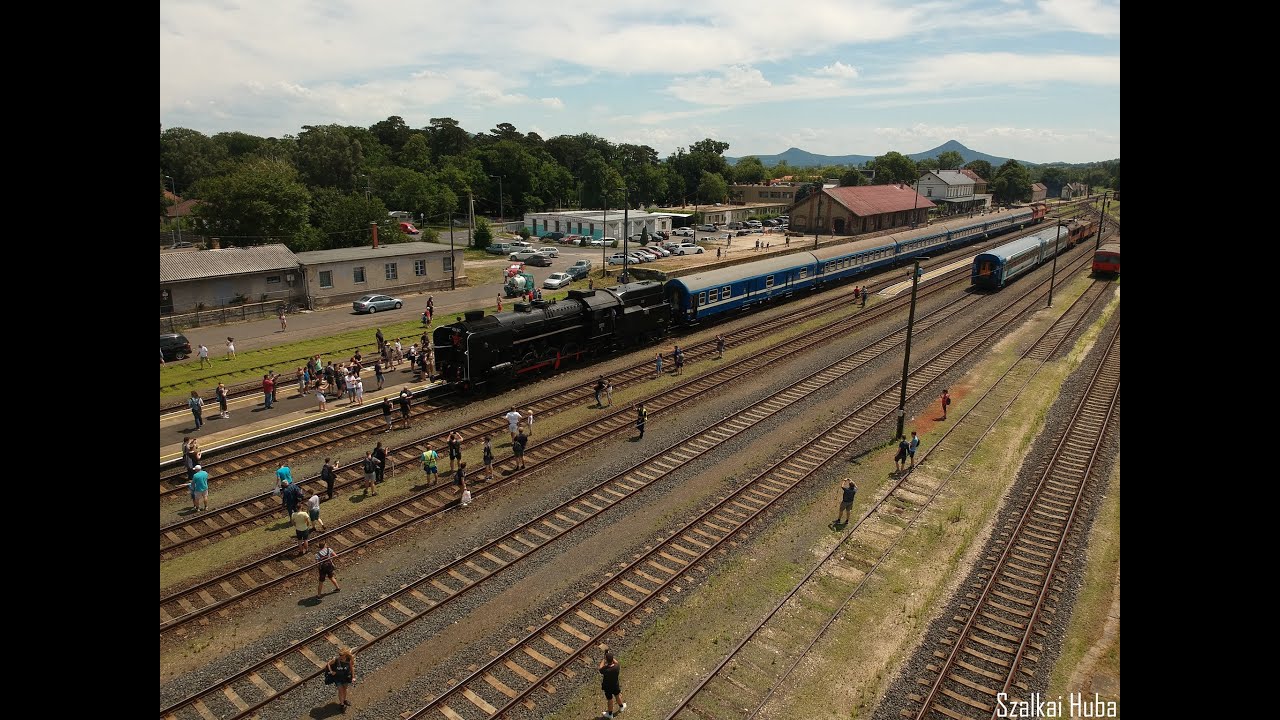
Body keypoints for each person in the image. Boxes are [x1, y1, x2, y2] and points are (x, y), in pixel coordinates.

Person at [598, 650, 627, 718]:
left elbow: (600, 668)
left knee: (610, 699)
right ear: (612, 659)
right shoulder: (617, 667)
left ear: (607, 660)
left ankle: (610, 714)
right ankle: (621, 707)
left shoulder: (605, 669)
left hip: (607, 687)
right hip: (615, 685)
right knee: (617, 695)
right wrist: (609, 656)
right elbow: (616, 662)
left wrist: (603, 659)